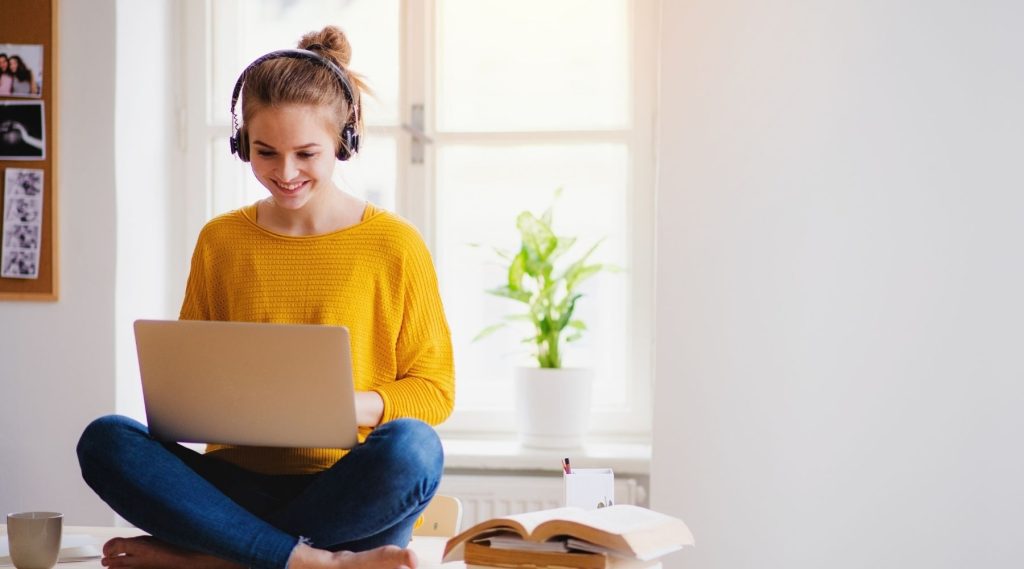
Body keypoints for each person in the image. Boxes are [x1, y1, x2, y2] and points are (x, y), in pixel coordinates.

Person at [76, 25, 455, 569]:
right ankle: (309, 560)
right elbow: (187, 381)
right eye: (266, 152)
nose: (285, 172)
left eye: (306, 153)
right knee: (106, 441)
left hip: (347, 490)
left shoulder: (394, 244)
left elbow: (434, 391)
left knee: (414, 449)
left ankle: (218, 558)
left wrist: (341, 407)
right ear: (242, 144)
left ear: (344, 140)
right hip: (233, 489)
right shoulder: (221, 240)